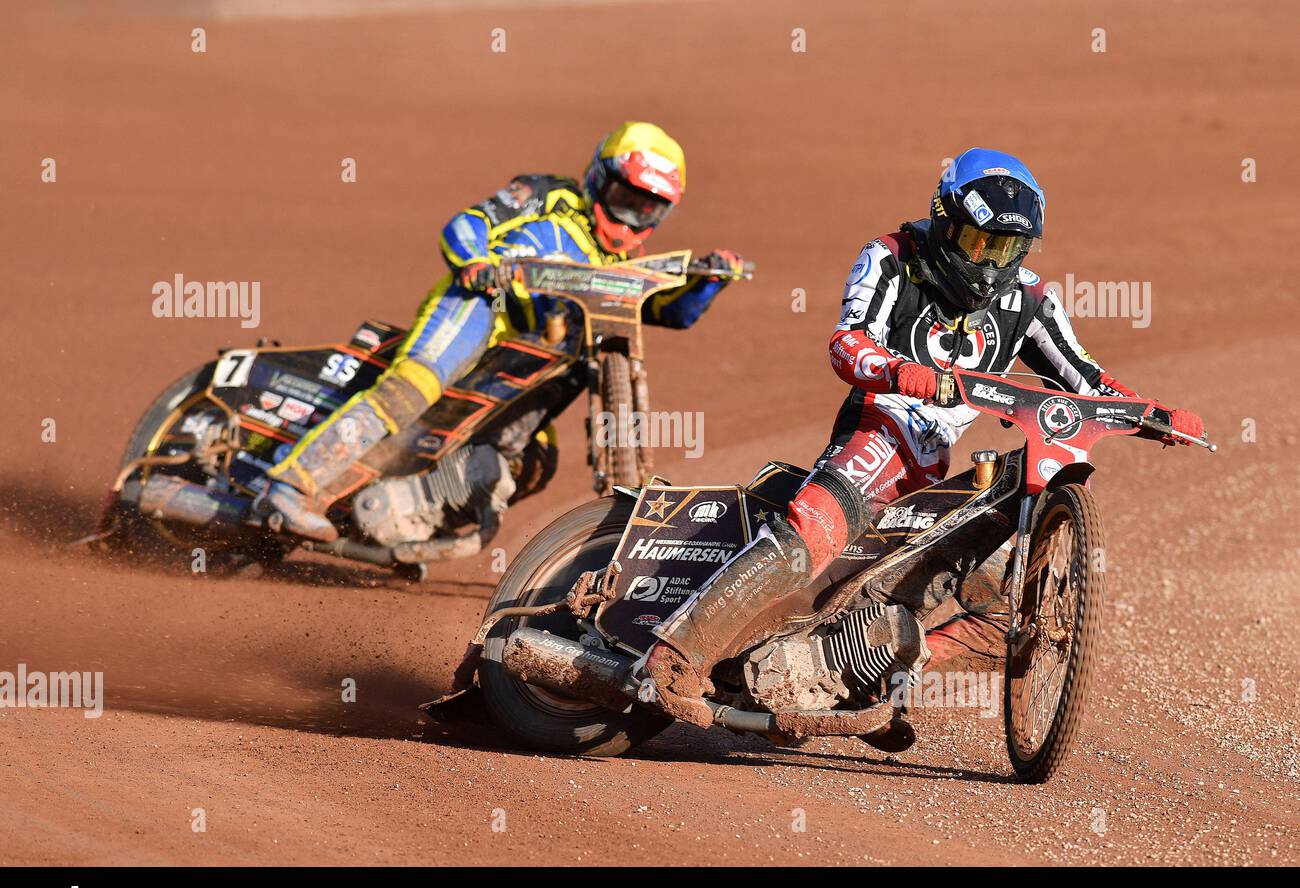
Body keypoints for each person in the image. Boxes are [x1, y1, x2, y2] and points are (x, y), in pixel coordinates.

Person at [644, 147, 1204, 739]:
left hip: (934, 465)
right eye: (977, 242)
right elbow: (846, 342)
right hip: (879, 428)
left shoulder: (1030, 298)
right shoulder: (889, 258)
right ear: (944, 219)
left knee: (1002, 604)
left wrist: (1153, 413)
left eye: (1008, 249)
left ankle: (860, 674)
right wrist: (894, 371)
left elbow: (1086, 380)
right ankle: (674, 656)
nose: (990, 263)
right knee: (813, 525)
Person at [262, 121, 744, 542]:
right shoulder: (546, 196)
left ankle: (414, 517)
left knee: (534, 458)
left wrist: (710, 283)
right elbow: (468, 223)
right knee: (413, 389)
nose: (631, 219)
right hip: (479, 311)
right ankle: (291, 485)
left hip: (520, 365)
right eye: (625, 200)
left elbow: (667, 311)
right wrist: (476, 261)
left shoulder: (617, 265)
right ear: (600, 179)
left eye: (648, 209)